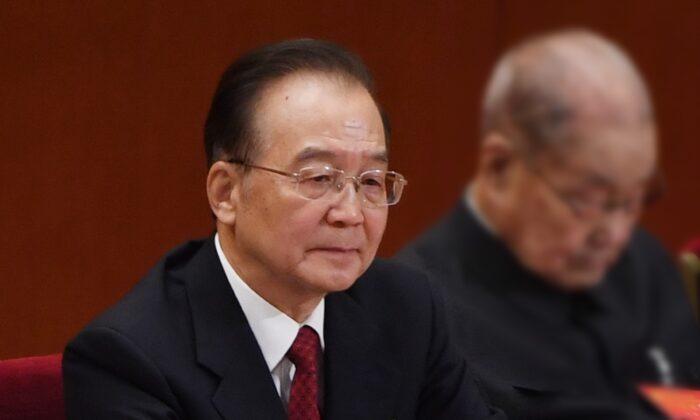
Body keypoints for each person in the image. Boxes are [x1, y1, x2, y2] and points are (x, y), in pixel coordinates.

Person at [63, 39, 503, 419]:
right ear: (226, 192)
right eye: (318, 179)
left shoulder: (407, 310)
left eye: (370, 182)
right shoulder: (130, 360)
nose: (350, 213)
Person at [396, 29, 700, 419]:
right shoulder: (416, 309)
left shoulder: (640, 259)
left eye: (633, 199)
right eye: (588, 200)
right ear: (501, 167)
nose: (616, 231)